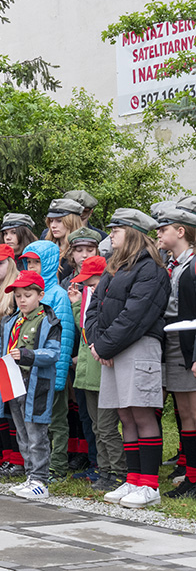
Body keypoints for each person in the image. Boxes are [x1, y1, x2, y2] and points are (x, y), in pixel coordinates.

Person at [85, 208, 170, 509]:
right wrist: (98, 344)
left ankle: (149, 485)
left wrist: (105, 346)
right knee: (125, 415)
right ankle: (133, 479)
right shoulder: (116, 267)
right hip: (113, 349)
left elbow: (136, 315)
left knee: (142, 414)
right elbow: (94, 307)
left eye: (116, 230)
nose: (110, 235)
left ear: (133, 233)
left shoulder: (151, 270)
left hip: (138, 347)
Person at [0, 270, 61, 499]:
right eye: (18, 296)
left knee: (36, 434)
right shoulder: (11, 321)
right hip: (12, 383)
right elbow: (1, 354)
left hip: (36, 385)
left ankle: (40, 480)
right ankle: (30, 476)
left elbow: (53, 353)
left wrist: (29, 355)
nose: (22, 300)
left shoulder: (49, 322)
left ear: (40, 295)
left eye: (27, 295)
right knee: (21, 433)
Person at [68, 256, 126, 492]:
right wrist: (76, 304)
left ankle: (119, 472)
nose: (90, 288)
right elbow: (85, 330)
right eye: (87, 284)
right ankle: (104, 471)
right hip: (87, 375)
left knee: (107, 428)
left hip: (102, 375)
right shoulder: (88, 300)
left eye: (93, 283)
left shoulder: (111, 303)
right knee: (96, 427)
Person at [20, 240, 76, 482]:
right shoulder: (27, 293)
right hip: (31, 369)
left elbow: (64, 336)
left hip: (51, 368)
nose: (32, 266)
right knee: (37, 420)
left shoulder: (58, 295)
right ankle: (40, 464)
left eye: (37, 262)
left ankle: (58, 466)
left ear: (50, 263)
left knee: (56, 420)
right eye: (28, 262)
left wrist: (60, 374)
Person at [156, 206, 196, 498]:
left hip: (190, 343)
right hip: (173, 341)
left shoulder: (192, 265)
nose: (158, 234)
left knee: (193, 412)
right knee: (185, 414)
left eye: (164, 229)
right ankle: (190, 477)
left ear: (181, 231)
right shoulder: (171, 263)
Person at [61, 227, 102, 476]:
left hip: (93, 354)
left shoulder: (103, 280)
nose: (84, 255)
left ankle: (99, 461)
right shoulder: (67, 282)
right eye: (78, 250)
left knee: (99, 415)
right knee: (82, 411)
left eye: (90, 249)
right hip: (73, 352)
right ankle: (86, 456)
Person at [0, 243, 26, 477]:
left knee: (14, 411)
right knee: (2, 410)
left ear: (11, 263)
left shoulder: (16, 293)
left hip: (15, 359)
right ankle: (7, 457)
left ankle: (19, 461)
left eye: (0, 263)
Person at [43, 198, 84, 281]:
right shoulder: (46, 246)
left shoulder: (82, 249)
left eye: (59, 221)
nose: (53, 225)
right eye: (51, 221)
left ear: (71, 222)